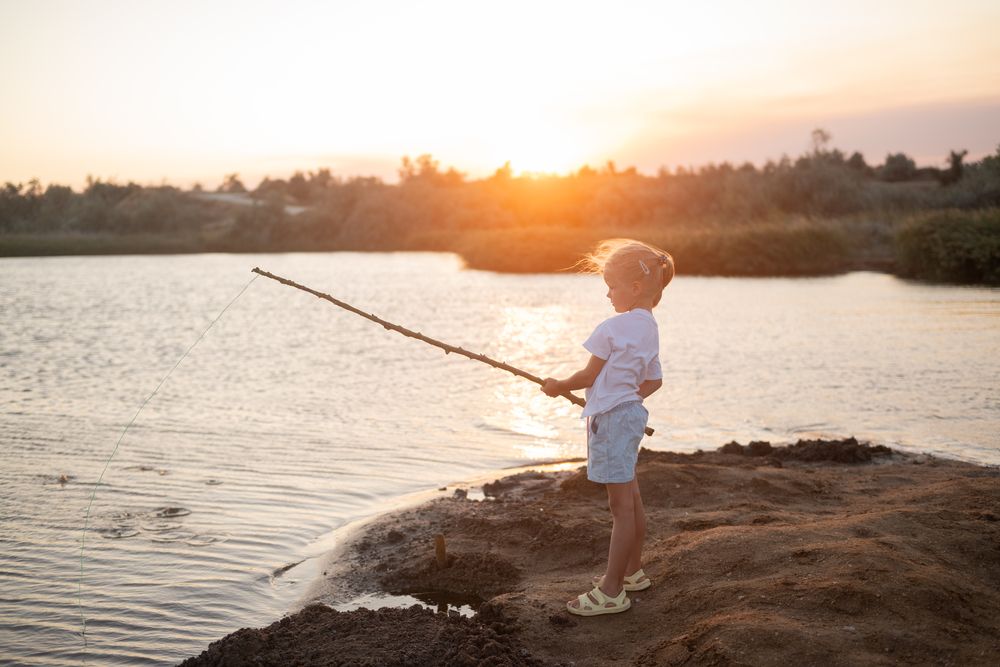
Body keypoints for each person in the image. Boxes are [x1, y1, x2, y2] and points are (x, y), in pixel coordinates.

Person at [541, 238, 674, 616]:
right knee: (630, 498)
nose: (607, 293)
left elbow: (587, 374)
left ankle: (612, 590)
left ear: (634, 288)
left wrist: (556, 386)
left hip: (613, 422)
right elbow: (654, 381)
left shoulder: (613, 327)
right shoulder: (650, 327)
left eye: (612, 286)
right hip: (630, 417)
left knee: (620, 509)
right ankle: (633, 572)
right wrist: (624, 397)